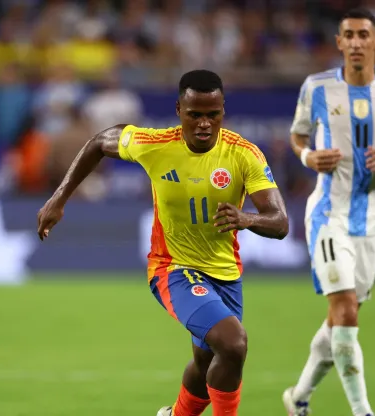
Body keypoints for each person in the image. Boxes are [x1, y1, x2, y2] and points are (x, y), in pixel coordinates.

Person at [36, 69, 289, 416]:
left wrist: (248, 219)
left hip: (225, 275)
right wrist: (58, 199)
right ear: (178, 110)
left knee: (206, 365)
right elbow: (98, 142)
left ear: (223, 112)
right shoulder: (154, 144)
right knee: (233, 344)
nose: (203, 124)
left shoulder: (244, 155)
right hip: (172, 269)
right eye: (194, 114)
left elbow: (280, 223)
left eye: (212, 115)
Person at [281, 8, 375, 416]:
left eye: (365, 34)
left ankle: (299, 398)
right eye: (350, 35)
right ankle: (363, 412)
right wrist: (308, 156)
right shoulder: (317, 88)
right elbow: (297, 136)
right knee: (344, 310)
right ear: (339, 42)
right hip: (329, 213)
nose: (357, 42)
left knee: (341, 320)